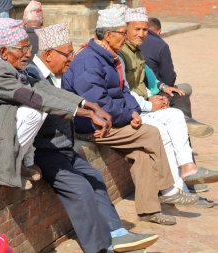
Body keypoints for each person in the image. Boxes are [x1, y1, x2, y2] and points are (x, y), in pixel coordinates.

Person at [26, 22, 159, 253]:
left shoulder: (59, 73)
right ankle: (99, 247)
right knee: (80, 188)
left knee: (95, 178)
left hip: (64, 146)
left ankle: (117, 233)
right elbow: (52, 101)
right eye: (67, 54)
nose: (71, 59)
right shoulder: (32, 75)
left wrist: (92, 115)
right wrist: (88, 111)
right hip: (44, 151)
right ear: (48, 54)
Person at [63, 7, 199, 226]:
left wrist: (133, 111)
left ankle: (148, 210)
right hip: (91, 124)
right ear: (108, 35)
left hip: (110, 119)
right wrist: (127, 115)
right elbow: (98, 104)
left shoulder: (110, 57)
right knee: (151, 133)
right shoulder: (89, 61)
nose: (125, 37)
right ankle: (169, 189)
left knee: (141, 154)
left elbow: (123, 91)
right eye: (122, 33)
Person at [0, 17, 112, 191]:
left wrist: (87, 104)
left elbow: (43, 88)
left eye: (29, 48)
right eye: (23, 49)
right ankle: (6, 167)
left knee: (38, 107)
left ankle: (19, 161)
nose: (28, 54)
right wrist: (85, 114)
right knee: (34, 111)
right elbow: (35, 98)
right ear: (3, 52)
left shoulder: (10, 66)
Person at [118, 7, 213, 138]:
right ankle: (184, 120)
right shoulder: (120, 52)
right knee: (178, 104)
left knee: (177, 95)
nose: (141, 34)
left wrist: (163, 87)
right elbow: (124, 88)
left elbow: (148, 74)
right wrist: (151, 101)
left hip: (148, 94)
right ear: (125, 29)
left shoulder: (137, 50)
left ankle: (184, 124)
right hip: (137, 104)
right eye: (137, 29)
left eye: (144, 30)